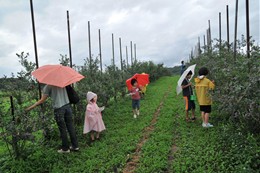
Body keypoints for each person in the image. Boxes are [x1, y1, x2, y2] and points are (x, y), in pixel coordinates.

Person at [26, 85, 79, 153]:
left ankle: (65, 148)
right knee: (70, 126)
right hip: (67, 107)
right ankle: (75, 146)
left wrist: (30, 107)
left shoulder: (48, 86)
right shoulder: (62, 83)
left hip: (59, 109)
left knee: (62, 129)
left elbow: (42, 100)